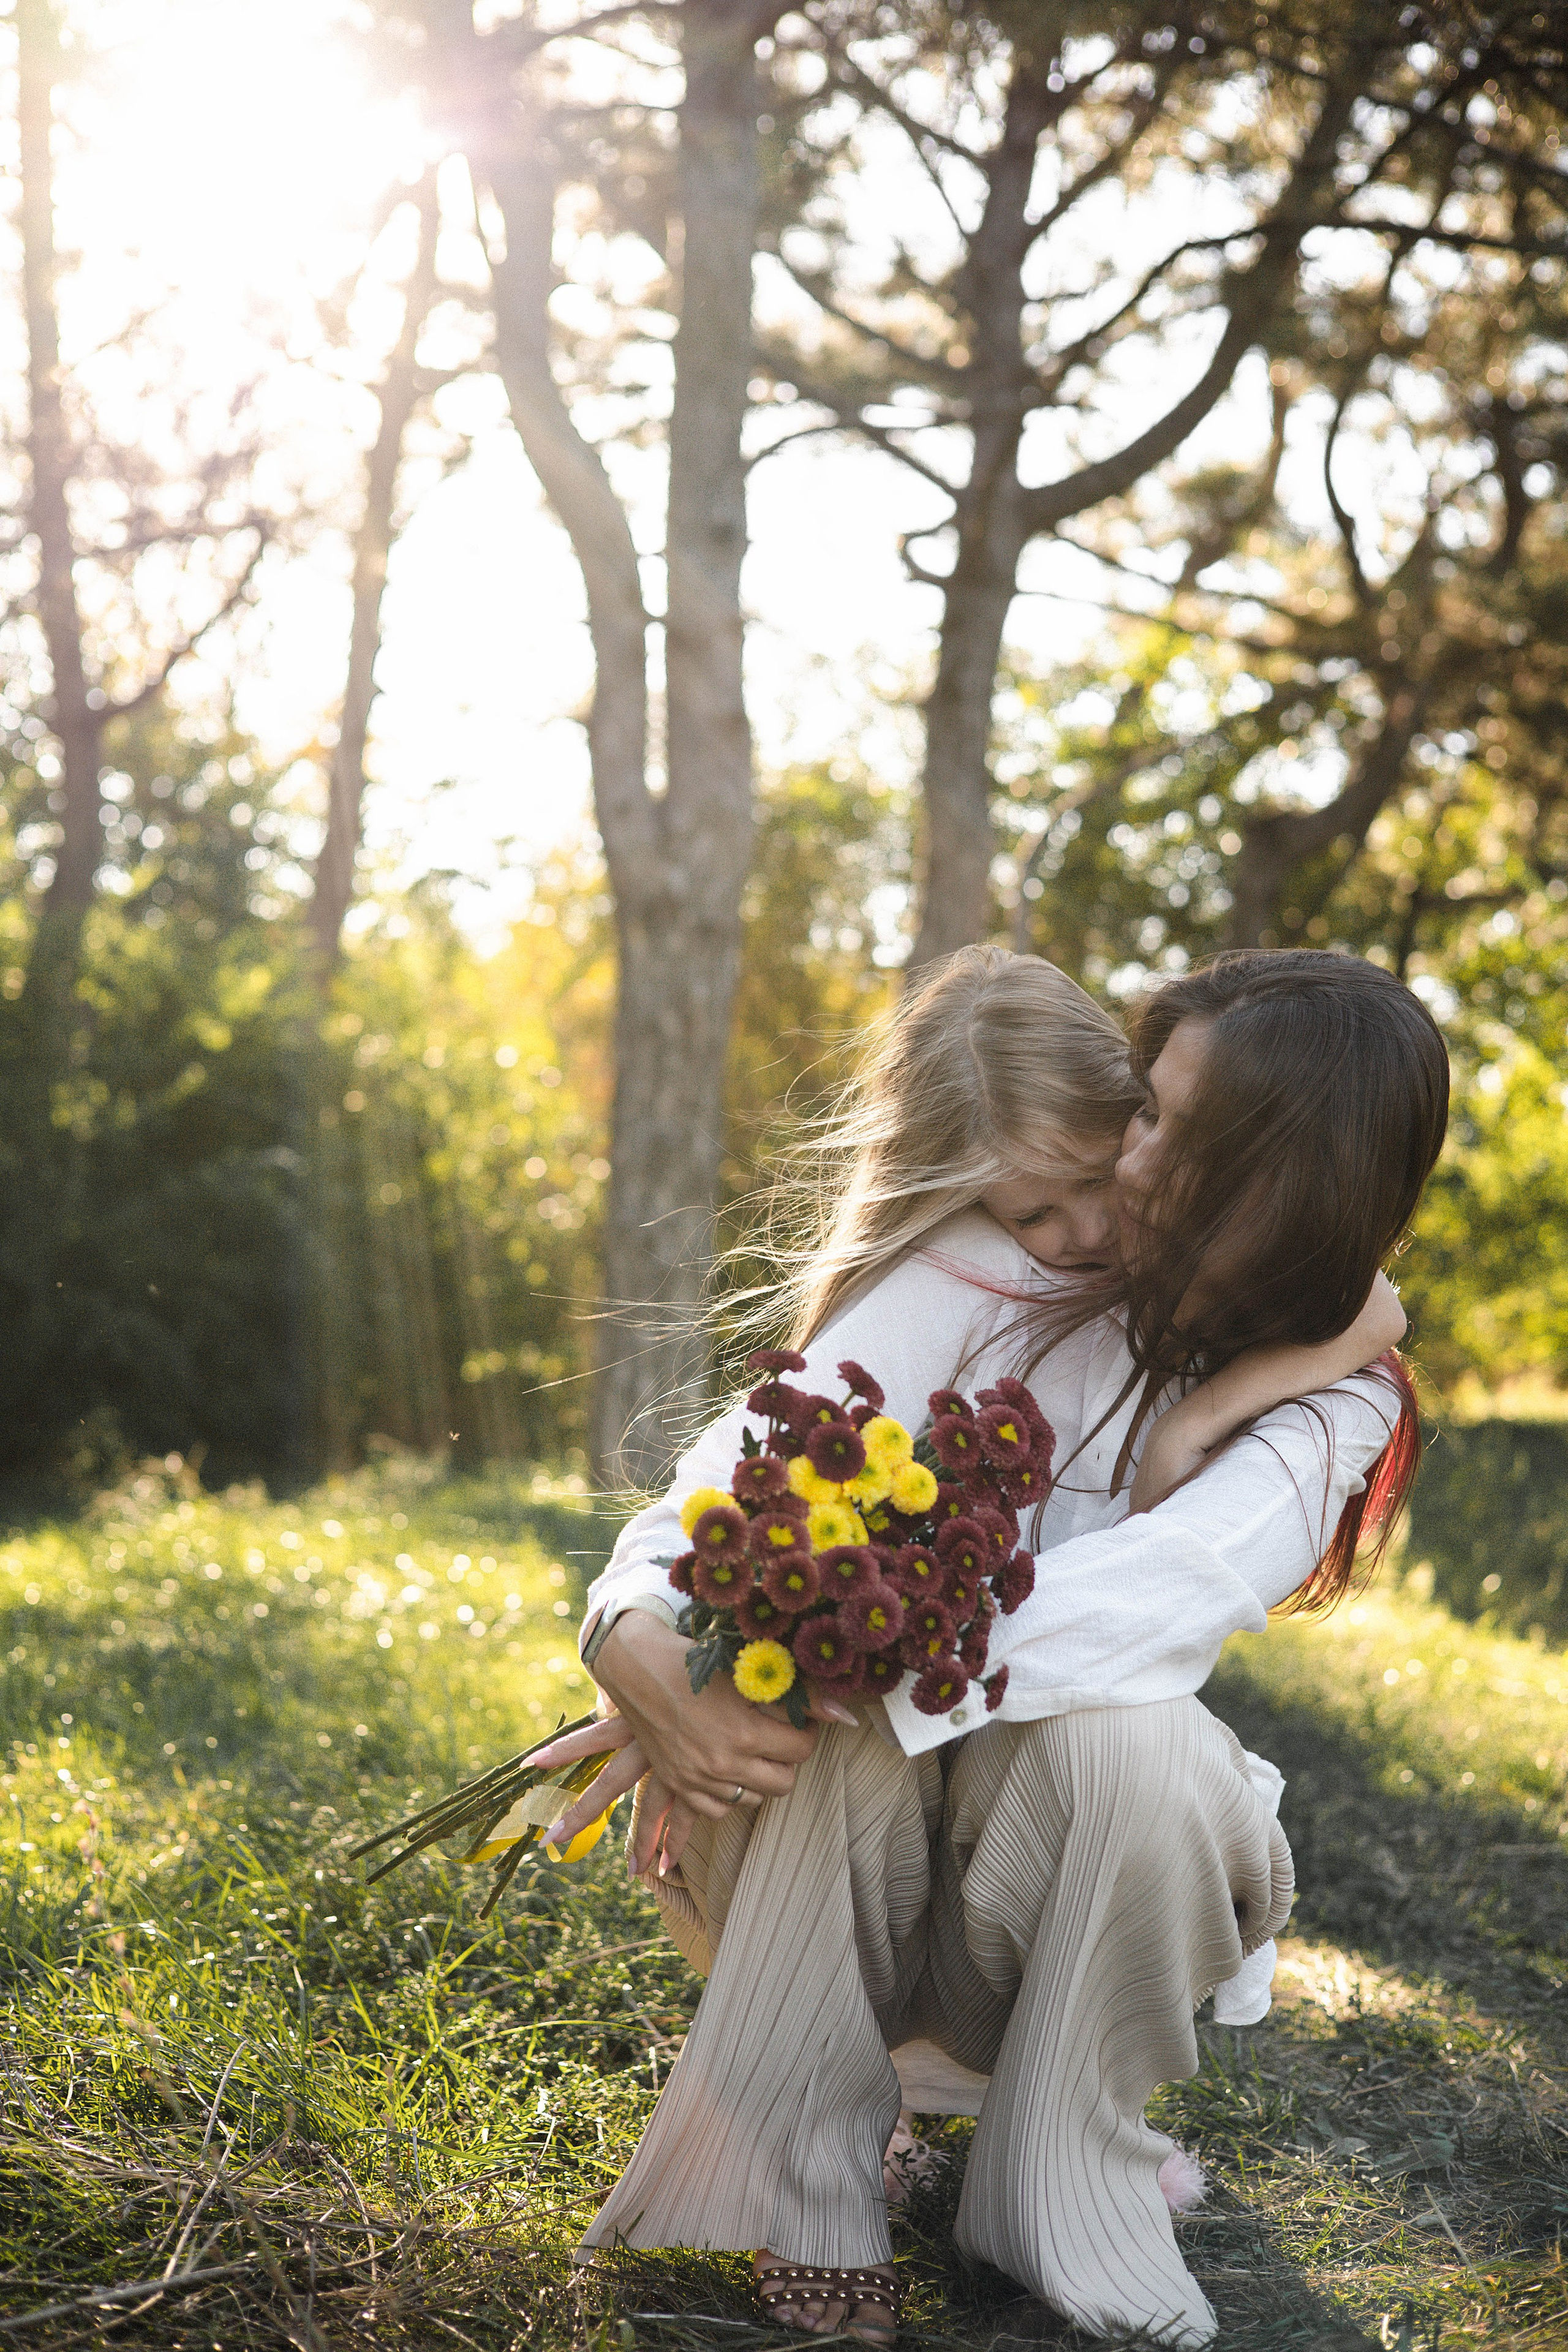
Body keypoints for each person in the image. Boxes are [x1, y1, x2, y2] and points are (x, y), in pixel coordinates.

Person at [538, 946, 1448, 2348]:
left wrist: (811, 1641)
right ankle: (810, 2180)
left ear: (1280, 1182)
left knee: (1123, 1732)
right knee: (838, 1699)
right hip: (854, 1864)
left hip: (1065, 1873)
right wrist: (647, 1633)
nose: (1124, 1168)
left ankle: (1056, 2179)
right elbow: (749, 1457)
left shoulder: (1334, 1406)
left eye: (1168, 1134)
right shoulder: (998, 1267)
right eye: (1135, 1106)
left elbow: (1152, 1600)